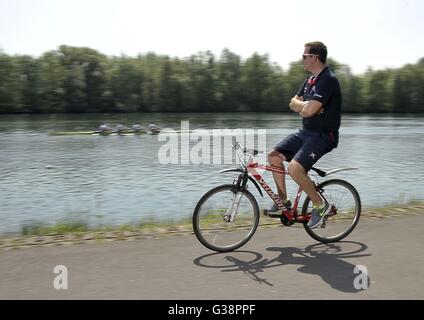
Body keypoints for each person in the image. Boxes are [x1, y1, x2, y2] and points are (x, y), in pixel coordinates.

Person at [265, 41, 342, 229]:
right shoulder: (310, 81)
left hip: (324, 136)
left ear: (315, 57)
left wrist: (307, 108)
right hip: (305, 133)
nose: (302, 60)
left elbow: (308, 111)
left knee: (294, 169)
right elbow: (294, 104)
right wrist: (307, 107)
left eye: (304, 56)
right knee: (273, 156)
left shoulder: (328, 80)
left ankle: (321, 205)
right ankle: (284, 201)